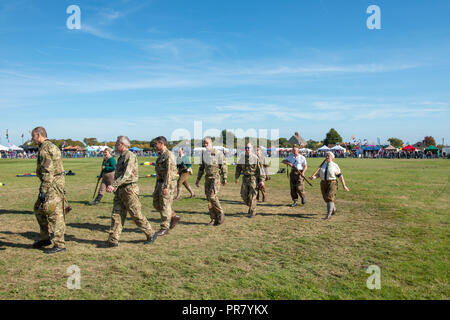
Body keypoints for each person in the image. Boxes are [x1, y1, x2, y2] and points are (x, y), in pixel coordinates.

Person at [105, 136, 157, 247]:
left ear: (122, 145)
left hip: (129, 189)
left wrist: (113, 185)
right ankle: (113, 240)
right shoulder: (121, 157)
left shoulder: (130, 156)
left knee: (136, 214)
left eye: (116, 143)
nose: (115, 145)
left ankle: (150, 233)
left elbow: (126, 175)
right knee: (117, 214)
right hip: (120, 190)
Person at [31, 127, 70, 254]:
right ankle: (45, 238)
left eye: (33, 136)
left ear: (39, 135)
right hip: (54, 183)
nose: (32, 139)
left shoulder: (45, 148)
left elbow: (48, 171)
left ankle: (59, 243)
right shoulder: (50, 146)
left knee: (54, 213)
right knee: (38, 209)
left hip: (51, 185)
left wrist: (43, 191)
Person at [195, 136, 228, 226]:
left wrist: (224, 177)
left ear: (211, 143)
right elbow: (201, 168)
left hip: (215, 177)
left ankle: (220, 214)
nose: (205, 145)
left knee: (212, 196)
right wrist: (198, 179)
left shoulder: (218, 153)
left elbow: (224, 166)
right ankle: (213, 218)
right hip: (207, 178)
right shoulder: (203, 154)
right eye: (204, 143)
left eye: (207, 143)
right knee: (209, 199)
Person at [310, 151, 350, 220]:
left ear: (332, 157)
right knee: (326, 199)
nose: (327, 156)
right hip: (323, 183)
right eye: (326, 155)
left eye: (328, 156)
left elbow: (340, 176)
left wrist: (344, 185)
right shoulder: (322, 165)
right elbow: (318, 175)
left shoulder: (335, 165)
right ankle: (333, 209)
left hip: (332, 183)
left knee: (329, 198)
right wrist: (313, 177)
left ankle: (328, 215)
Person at [153, 136, 180, 236]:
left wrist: (166, 186)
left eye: (156, 144)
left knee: (165, 204)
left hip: (167, 183)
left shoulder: (169, 155)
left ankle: (165, 228)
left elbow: (169, 173)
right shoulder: (160, 155)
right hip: (159, 182)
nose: (155, 146)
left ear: (161, 143)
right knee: (156, 204)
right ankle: (173, 216)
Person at [235, 143, 266, 218]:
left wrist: (262, 180)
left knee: (253, 196)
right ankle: (251, 206)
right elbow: (238, 168)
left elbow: (261, 170)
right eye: (246, 148)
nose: (247, 149)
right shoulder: (242, 158)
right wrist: (237, 177)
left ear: (251, 149)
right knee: (244, 195)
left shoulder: (255, 158)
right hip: (245, 179)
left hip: (253, 179)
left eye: (248, 148)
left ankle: (253, 212)